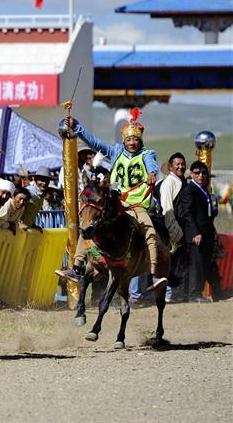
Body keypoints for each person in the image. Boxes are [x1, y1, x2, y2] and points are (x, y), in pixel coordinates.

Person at [57, 109, 165, 290]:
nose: (132, 142)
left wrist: (152, 172)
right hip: (116, 202)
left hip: (137, 204)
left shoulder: (147, 154)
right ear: (124, 140)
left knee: (150, 231)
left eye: (136, 139)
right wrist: (77, 127)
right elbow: (95, 142)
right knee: (89, 225)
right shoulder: (115, 151)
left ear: (141, 140)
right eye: (129, 139)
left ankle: (153, 275)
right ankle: (76, 267)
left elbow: (152, 164)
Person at [175, 161, 222, 302]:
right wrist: (195, 232)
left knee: (204, 263)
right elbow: (188, 213)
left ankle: (199, 292)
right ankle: (194, 294)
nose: (201, 175)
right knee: (195, 264)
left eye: (203, 173)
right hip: (196, 234)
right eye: (197, 173)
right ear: (191, 173)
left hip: (207, 233)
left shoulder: (204, 189)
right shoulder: (189, 190)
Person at [157, 153, 187, 302]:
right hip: (172, 230)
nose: (181, 166)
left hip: (179, 229)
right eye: (178, 164)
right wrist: (175, 231)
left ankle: (175, 294)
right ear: (170, 167)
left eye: (183, 164)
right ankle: (169, 295)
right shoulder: (169, 182)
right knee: (170, 263)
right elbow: (166, 208)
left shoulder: (180, 181)